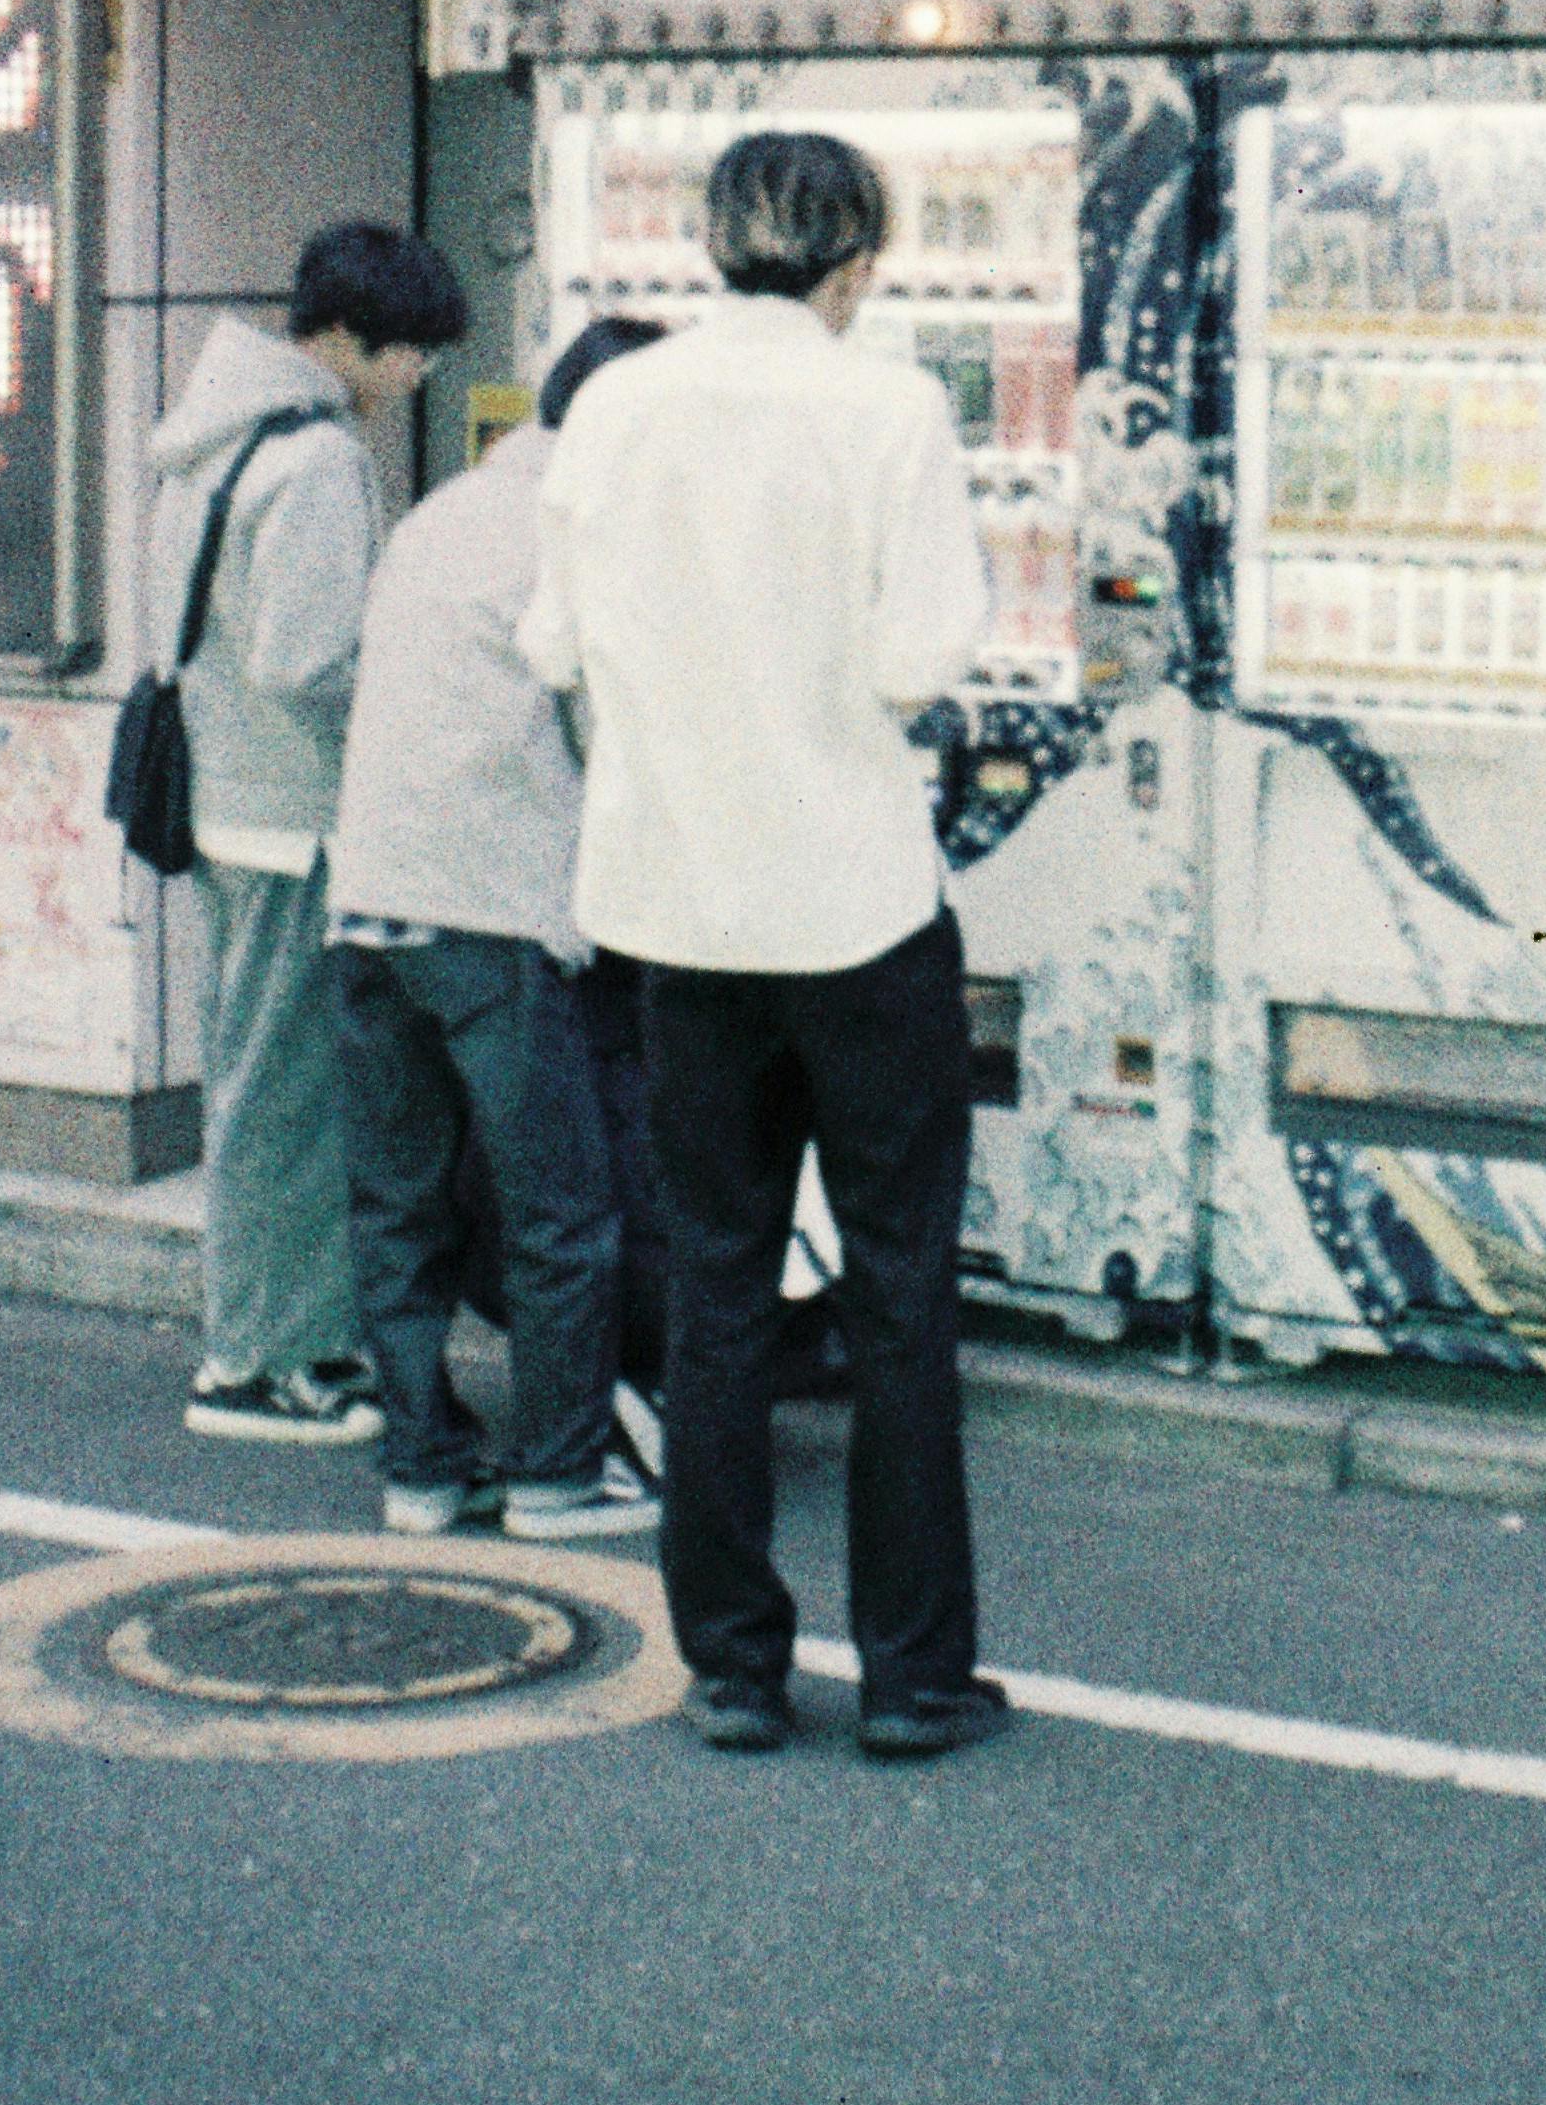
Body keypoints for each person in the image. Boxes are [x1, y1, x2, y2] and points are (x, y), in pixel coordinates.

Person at [523, 128, 1002, 1762]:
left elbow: (549, 640)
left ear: (714, 244)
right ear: (855, 260)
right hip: (857, 909)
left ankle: (730, 1663)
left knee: (717, 1290)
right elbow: (920, 655)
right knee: (897, 1293)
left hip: (675, 907)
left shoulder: (614, 405)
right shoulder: (889, 407)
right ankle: (914, 1675)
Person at [328, 314, 667, 1542]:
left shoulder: (446, 510)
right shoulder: (578, 531)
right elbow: (608, 733)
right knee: (561, 1212)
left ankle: (422, 1468)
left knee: (400, 1206)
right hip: (492, 909)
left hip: (367, 898)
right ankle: (559, 1473)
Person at [147, 219, 467, 1441]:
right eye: (407, 350)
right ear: (343, 336)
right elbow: (308, 660)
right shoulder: (318, 454)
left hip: (226, 803)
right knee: (288, 1096)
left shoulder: (213, 432)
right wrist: (402, 733)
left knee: (254, 1083)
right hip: (292, 815)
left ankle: (268, 1339)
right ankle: (264, 1361)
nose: (417, 375)